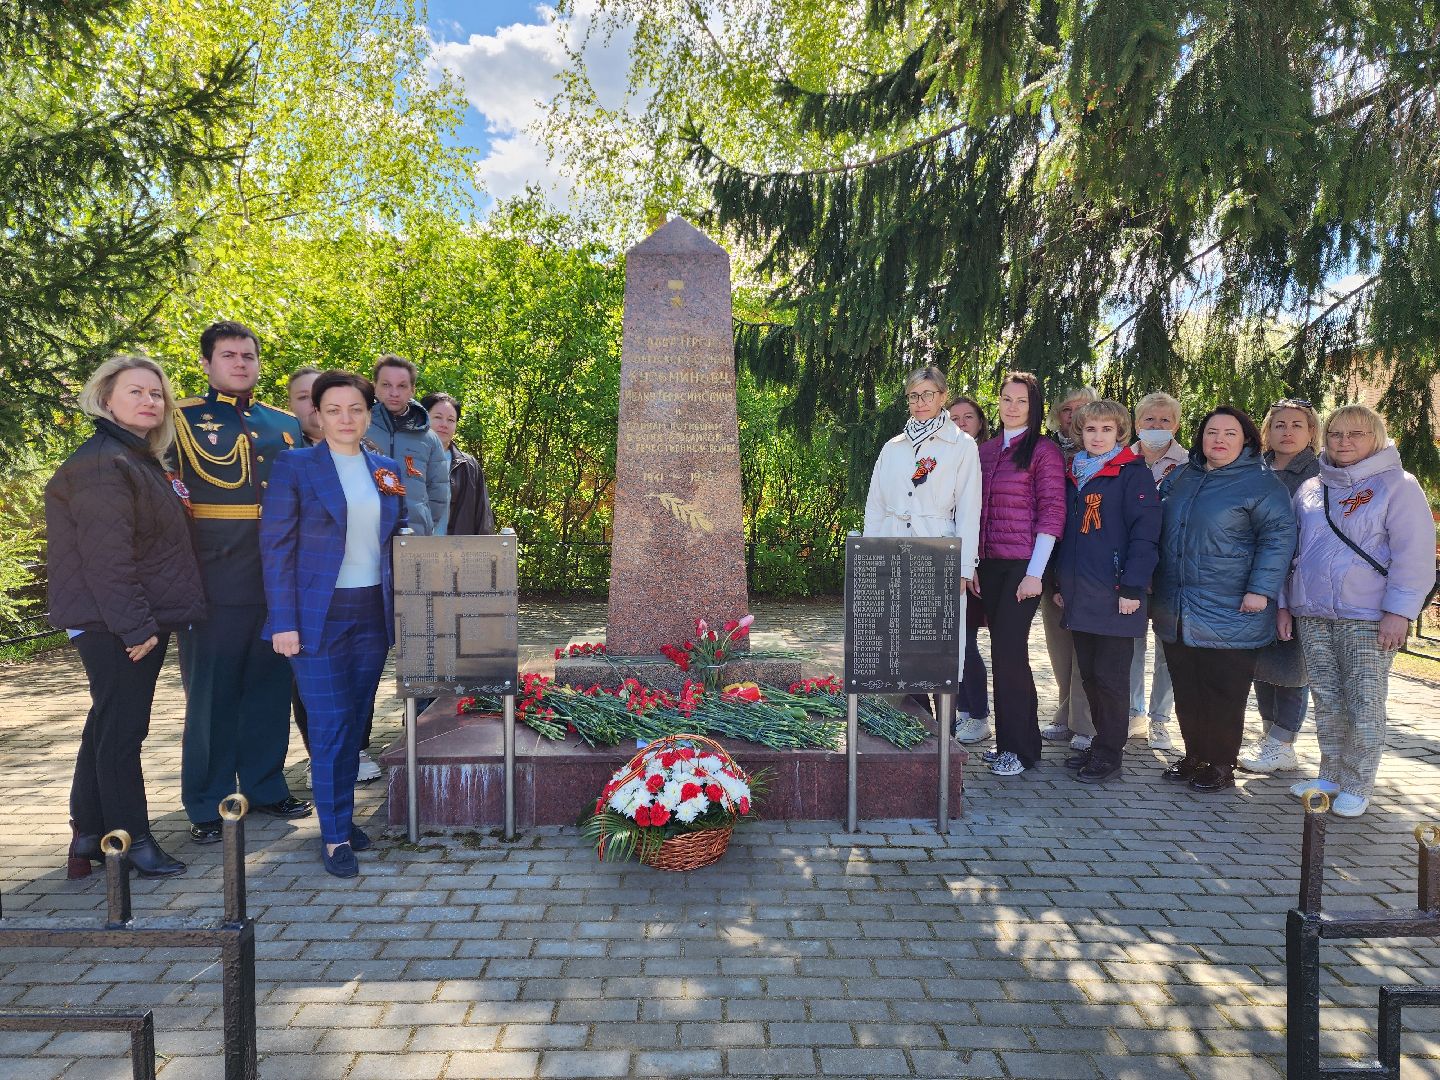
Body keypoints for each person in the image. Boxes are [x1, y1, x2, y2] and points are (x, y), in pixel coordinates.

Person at [45, 356, 207, 879]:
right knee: (122, 732)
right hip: (115, 623)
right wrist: (135, 628)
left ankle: (89, 832)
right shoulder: (103, 464)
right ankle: (132, 839)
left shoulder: (134, 458)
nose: (149, 401)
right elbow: (107, 558)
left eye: (156, 394)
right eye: (135, 391)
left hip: (126, 618)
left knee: (105, 723)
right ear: (105, 398)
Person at [261, 371, 406, 877]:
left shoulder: (385, 468)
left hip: (371, 613)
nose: (346, 419)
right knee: (328, 726)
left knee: (354, 724)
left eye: (356, 409)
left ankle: (339, 814)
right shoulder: (295, 466)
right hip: (315, 619)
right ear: (317, 415)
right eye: (334, 409)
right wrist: (283, 621)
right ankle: (334, 836)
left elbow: (398, 536)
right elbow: (275, 547)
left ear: (369, 414)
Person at [173, 322, 312, 844]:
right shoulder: (180, 419)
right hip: (213, 577)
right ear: (207, 363)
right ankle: (207, 801)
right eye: (228, 355)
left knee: (269, 687)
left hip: (275, 579)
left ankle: (265, 783)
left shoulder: (282, 425)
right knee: (211, 694)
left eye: (248, 355)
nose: (240, 363)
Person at [1282, 405, 1436, 817]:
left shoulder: (1399, 486)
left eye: (1356, 434)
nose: (1344, 442)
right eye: (1335, 434)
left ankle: (1358, 782)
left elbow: (1413, 555)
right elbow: (1292, 552)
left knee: (1364, 703)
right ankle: (1330, 774)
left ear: (1376, 439)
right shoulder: (1312, 488)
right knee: (1327, 701)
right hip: (1313, 612)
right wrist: (1286, 603)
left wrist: (1400, 612)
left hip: (1369, 615)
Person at [1152, 405, 1296, 793]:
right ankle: (1195, 754)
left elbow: (1278, 538)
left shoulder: (1262, 484)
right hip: (1179, 606)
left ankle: (1219, 763)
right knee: (1187, 686)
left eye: (1230, 433)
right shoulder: (1182, 475)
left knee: (1224, 691)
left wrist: (1260, 590)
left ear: (1246, 439)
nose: (1219, 440)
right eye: (1212, 432)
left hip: (1232, 606)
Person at [1051, 400, 1162, 783]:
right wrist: (1061, 585)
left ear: (1119, 433)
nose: (1097, 437)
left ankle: (1111, 755)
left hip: (1118, 594)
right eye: (1090, 430)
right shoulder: (1073, 474)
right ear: (1080, 433)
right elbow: (1065, 536)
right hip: (1081, 594)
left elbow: (1145, 535)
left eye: (1106, 430)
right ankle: (1100, 743)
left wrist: (1132, 586)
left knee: (1112, 680)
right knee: (1090, 677)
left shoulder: (1132, 473)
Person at [863, 366, 982, 719]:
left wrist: (964, 566)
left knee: (938, 649)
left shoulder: (961, 446)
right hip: (892, 547)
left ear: (943, 396)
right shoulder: (893, 447)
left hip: (937, 550)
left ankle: (945, 736)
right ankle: (911, 727)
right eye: (914, 395)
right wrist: (871, 559)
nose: (920, 402)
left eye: (928, 394)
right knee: (899, 645)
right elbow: (875, 505)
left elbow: (970, 510)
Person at [973, 371, 1067, 776]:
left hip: (1022, 567)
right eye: (1006, 399)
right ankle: (1011, 741)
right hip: (989, 565)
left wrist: (1036, 573)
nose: (1012, 407)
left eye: (1021, 401)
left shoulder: (1044, 451)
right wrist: (973, 562)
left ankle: (1021, 749)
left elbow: (1052, 512)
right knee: (1003, 654)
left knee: (1009, 655)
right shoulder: (986, 450)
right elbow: (973, 512)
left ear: (1034, 406)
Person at [1239, 399, 1322, 774]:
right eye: (1279, 425)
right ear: (1267, 430)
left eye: (1297, 425)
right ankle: (1270, 736)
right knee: (1261, 663)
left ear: (1311, 433)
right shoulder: (1253, 468)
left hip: (1294, 579)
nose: (1287, 432)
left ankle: (1283, 741)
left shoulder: (1320, 474)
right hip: (1251, 577)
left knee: (1290, 665)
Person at [1039, 386, 1100, 752]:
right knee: (1058, 644)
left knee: (1085, 646)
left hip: (1089, 563)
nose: (1074, 416)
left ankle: (1083, 720)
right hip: (1049, 560)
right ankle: (1065, 711)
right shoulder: (1046, 450)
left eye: (1083, 408)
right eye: (1067, 409)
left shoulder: (1103, 453)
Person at [1128, 391, 1188, 751]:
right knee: (1130, 646)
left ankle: (1160, 720)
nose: (1157, 426)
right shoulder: (1121, 460)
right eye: (1150, 420)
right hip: (1132, 569)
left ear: (1176, 425)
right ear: (1137, 424)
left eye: (1165, 420)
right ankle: (1132, 714)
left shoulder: (1188, 465)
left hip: (1170, 571)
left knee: (1168, 649)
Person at [946, 396, 992, 743]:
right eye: (954, 417)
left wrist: (971, 560)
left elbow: (980, 513)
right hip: (939, 555)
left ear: (980, 422)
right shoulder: (937, 457)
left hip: (974, 563)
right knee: (949, 640)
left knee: (966, 640)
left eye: (968, 417)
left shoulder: (987, 457)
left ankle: (977, 713)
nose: (961, 423)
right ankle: (960, 710)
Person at [367, 354, 450, 536]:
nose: (394, 393)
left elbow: (438, 493)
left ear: (412, 390)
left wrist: (424, 522)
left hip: (414, 536)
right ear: (375, 387)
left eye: (402, 386)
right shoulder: (359, 429)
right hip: (366, 536)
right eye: (386, 385)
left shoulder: (429, 438)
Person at [422, 391, 495, 535]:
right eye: (437, 417)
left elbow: (482, 517)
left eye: (451, 420)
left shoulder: (468, 465)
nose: (444, 424)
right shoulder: (408, 459)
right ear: (423, 418)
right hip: (415, 552)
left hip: (458, 553)